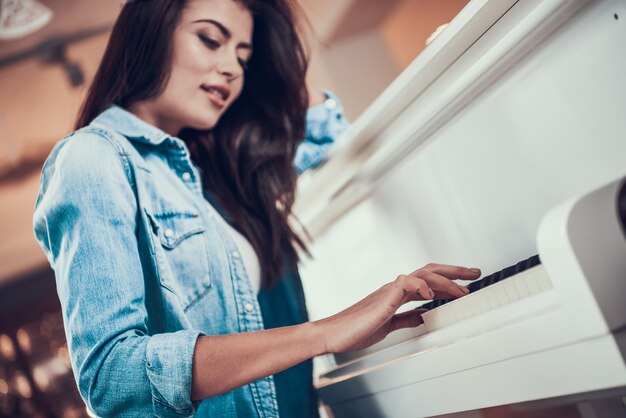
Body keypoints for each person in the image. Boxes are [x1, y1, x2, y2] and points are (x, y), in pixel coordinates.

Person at [32, 0, 481, 416]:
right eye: (210, 39)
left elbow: (329, 136)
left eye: (244, 58)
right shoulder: (93, 159)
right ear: (150, 30)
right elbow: (112, 376)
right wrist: (325, 332)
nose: (231, 68)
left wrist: (274, 64)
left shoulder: (216, 174)